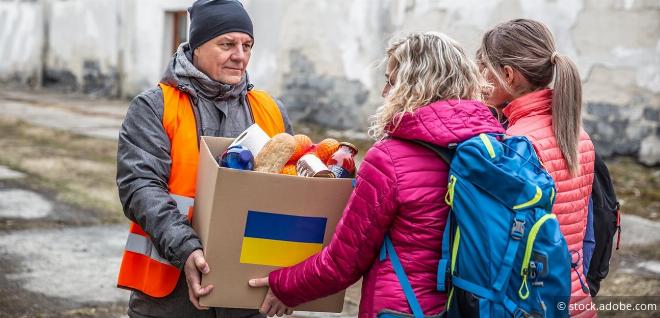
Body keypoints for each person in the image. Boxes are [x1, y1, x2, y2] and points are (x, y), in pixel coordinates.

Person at [249, 32, 505, 317]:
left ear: (413, 85)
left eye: (391, 81)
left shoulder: (389, 160)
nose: (385, 92)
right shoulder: (495, 146)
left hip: (404, 309)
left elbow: (343, 263)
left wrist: (282, 285)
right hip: (475, 306)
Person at [115, 1, 293, 317]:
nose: (240, 55)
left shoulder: (270, 111)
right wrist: (186, 249)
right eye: (227, 44)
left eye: (247, 45)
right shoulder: (155, 107)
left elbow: (291, 196)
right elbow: (140, 187)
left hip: (248, 296)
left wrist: (290, 277)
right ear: (196, 46)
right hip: (170, 297)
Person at [476, 18, 596, 317]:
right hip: (573, 295)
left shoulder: (516, 144)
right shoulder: (578, 135)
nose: (478, 77)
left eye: (483, 67)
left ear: (507, 74)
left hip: (531, 300)